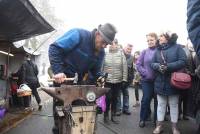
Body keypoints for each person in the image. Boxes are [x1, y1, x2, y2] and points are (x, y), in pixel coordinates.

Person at [48, 23, 117, 134]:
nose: (104, 46)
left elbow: (95, 71)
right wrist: (58, 71)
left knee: (79, 111)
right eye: (104, 42)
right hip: (62, 77)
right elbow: (54, 48)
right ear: (98, 34)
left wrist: (100, 76)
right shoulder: (78, 35)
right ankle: (58, 130)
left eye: (107, 44)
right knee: (61, 111)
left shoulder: (101, 53)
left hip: (78, 81)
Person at [151, 31, 187, 134]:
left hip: (173, 82)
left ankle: (174, 128)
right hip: (160, 82)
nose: (159, 37)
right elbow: (152, 63)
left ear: (168, 37)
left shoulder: (177, 48)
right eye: (159, 36)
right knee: (161, 105)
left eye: (161, 36)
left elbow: (183, 61)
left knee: (174, 105)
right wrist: (158, 66)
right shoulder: (157, 50)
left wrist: (168, 66)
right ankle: (159, 127)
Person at [102, 39, 127, 124]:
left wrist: (124, 79)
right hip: (107, 80)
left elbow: (125, 67)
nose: (112, 45)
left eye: (113, 44)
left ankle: (113, 116)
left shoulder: (121, 54)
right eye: (110, 44)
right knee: (108, 99)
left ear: (117, 44)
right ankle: (105, 116)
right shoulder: (105, 53)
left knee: (115, 99)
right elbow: (102, 66)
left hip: (118, 80)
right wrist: (101, 77)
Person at [136, 32, 158, 128]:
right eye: (148, 40)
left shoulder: (160, 51)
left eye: (151, 40)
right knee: (146, 99)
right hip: (146, 81)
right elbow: (138, 64)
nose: (149, 42)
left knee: (158, 101)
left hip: (158, 81)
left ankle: (157, 120)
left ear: (156, 40)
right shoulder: (144, 51)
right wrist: (145, 73)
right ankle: (142, 118)